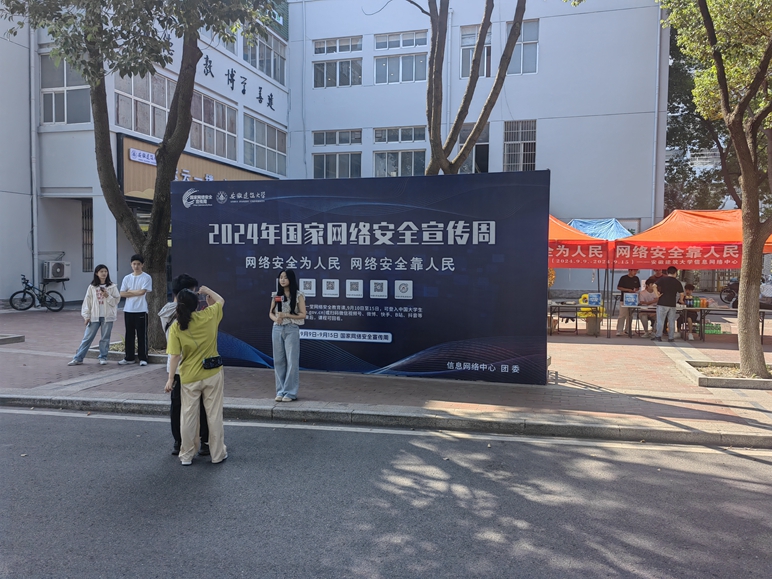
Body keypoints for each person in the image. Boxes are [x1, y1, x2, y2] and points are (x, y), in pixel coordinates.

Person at [164, 286, 227, 466]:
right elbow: (221, 301)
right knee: (214, 415)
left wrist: (170, 379)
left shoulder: (177, 326)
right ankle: (217, 454)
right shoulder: (209, 315)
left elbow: (175, 356)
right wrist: (208, 291)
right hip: (212, 373)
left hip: (189, 376)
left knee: (188, 416)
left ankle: (186, 455)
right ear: (196, 304)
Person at [158, 274, 209, 456]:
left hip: (175, 369)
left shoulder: (165, 313)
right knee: (201, 405)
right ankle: (205, 441)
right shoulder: (191, 315)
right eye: (194, 292)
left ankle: (178, 442)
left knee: (177, 406)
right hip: (194, 367)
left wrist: (170, 378)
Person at [68, 265, 121, 366]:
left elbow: (116, 301)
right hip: (94, 316)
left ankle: (103, 357)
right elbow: (87, 302)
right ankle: (78, 358)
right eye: (101, 271)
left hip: (107, 316)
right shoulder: (92, 287)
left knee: (105, 338)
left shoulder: (112, 287)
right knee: (87, 337)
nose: (104, 273)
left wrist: (108, 296)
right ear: (97, 273)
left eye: (105, 271)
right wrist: (86, 316)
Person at [270, 269, 307, 402]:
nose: (282, 280)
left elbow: (303, 314)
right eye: (281, 277)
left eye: (285, 277)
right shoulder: (277, 295)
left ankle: (290, 392)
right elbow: (270, 313)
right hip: (277, 329)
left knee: (292, 361)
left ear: (291, 279)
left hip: (291, 328)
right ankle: (280, 391)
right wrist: (276, 319)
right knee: (278, 360)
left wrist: (286, 315)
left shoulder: (298, 295)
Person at [119, 254, 152, 366]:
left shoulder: (146, 277)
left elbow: (142, 292)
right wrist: (135, 292)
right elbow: (122, 293)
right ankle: (129, 357)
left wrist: (130, 291)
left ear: (142, 265)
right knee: (129, 334)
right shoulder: (127, 278)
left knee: (142, 334)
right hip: (128, 309)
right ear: (131, 264)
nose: (136, 266)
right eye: (134, 264)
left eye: (138, 264)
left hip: (141, 309)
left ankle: (143, 358)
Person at [652, 266, 684, 343]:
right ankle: (671, 337)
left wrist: (657, 295)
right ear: (676, 273)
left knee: (660, 321)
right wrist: (681, 300)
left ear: (667, 272)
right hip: (672, 304)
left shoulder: (662, 279)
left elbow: (654, 286)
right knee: (671, 321)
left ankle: (658, 336)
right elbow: (682, 293)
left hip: (662, 303)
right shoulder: (677, 282)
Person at [616, 269, 641, 336]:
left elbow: (638, 287)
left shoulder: (636, 278)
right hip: (624, 299)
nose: (635, 272)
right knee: (622, 315)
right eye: (634, 271)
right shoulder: (623, 278)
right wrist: (628, 290)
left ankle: (628, 329)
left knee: (630, 316)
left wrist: (635, 290)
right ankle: (619, 330)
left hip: (632, 299)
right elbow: (619, 287)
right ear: (630, 271)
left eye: (636, 271)